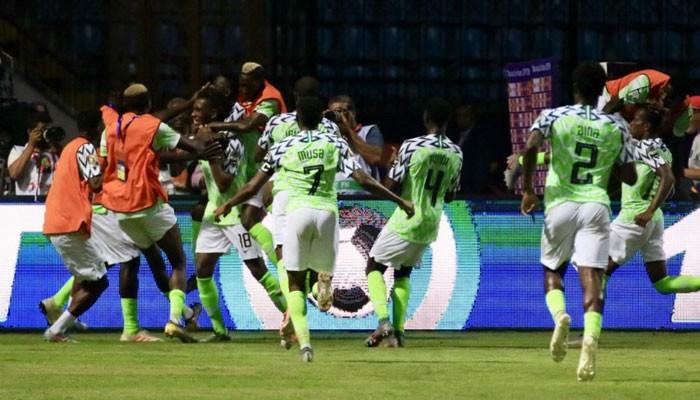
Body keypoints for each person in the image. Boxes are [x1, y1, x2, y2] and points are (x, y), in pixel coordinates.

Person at [214, 97, 414, 362]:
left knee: (295, 282)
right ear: (322, 119)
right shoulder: (335, 143)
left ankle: (305, 345)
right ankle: (324, 282)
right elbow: (364, 179)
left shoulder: (283, 145)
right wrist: (399, 200)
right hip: (327, 214)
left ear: (297, 119)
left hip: (297, 213)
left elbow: (253, 186)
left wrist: (228, 204)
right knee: (316, 272)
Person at [520, 61, 637, 382]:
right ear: (601, 91)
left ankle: (560, 316)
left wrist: (528, 190)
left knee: (553, 269)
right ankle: (591, 338)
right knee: (592, 275)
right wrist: (606, 163)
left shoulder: (554, 115)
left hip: (560, 203)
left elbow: (531, 147)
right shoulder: (617, 125)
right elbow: (630, 176)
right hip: (596, 205)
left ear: (573, 88)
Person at [100, 83, 213, 343]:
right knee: (178, 262)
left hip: (120, 207)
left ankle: (141, 325)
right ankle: (175, 320)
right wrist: (203, 145)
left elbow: (106, 161)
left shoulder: (111, 127)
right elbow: (189, 146)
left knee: (149, 262)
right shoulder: (154, 127)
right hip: (148, 202)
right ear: (148, 102)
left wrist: (187, 103)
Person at [190, 88, 289, 343]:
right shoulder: (202, 136)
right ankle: (219, 331)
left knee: (257, 270)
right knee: (202, 269)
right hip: (214, 213)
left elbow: (224, 184)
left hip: (233, 211)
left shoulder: (232, 143)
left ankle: (291, 318)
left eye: (198, 110)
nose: (194, 114)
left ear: (213, 113)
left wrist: (211, 158)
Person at [364, 98, 462, 348]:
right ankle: (398, 333)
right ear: (448, 121)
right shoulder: (456, 152)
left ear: (426, 119)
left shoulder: (412, 145)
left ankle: (383, 321)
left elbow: (391, 186)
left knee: (374, 266)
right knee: (403, 272)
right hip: (431, 222)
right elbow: (450, 196)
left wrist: (393, 165)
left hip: (408, 217)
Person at [256, 76, 338, 325]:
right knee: (314, 262)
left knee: (284, 256)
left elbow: (258, 154)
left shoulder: (277, 122)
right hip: (322, 199)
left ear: (294, 96)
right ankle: (316, 289)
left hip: (284, 193)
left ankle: (291, 311)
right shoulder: (330, 128)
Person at [605, 106, 700, 296]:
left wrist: (648, 210)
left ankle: (591, 316)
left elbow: (668, 178)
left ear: (646, 126)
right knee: (663, 284)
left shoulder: (645, 147)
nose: (631, 124)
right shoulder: (663, 149)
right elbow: (670, 189)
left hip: (636, 218)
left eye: (635, 120)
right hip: (654, 220)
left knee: (596, 271)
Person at [207, 63, 286, 281]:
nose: (243, 90)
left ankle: (289, 271)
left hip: (273, 170)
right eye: (241, 85)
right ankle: (284, 270)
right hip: (253, 172)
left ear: (260, 81)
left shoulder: (270, 98)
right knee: (248, 220)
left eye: (248, 86)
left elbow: (248, 125)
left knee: (260, 220)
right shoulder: (244, 96)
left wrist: (215, 126)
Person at [42, 109, 107, 342]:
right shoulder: (86, 148)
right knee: (99, 282)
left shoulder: (70, 147)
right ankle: (57, 329)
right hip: (70, 222)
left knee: (84, 277)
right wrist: (111, 161)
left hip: (57, 221)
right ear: (96, 129)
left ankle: (68, 320)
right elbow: (96, 183)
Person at [327, 94, 384, 194]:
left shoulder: (368, 131)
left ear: (353, 113)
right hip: (336, 197)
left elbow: (375, 158)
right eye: (334, 113)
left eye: (341, 112)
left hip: (366, 199)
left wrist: (348, 132)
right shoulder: (327, 137)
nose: (338, 117)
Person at [7, 113, 62, 197]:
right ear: (30, 132)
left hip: (51, 201)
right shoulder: (18, 150)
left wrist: (54, 144)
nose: (44, 134)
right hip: (27, 202)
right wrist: (31, 146)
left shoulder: (55, 152)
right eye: (42, 130)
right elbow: (14, 174)